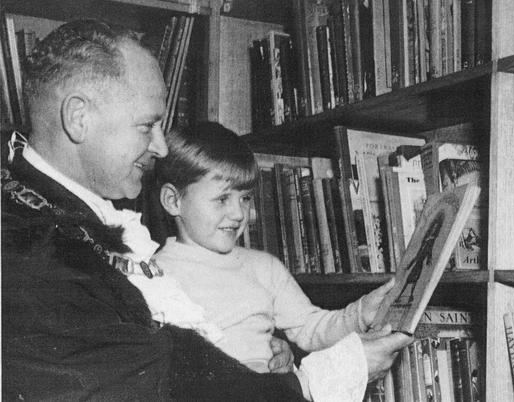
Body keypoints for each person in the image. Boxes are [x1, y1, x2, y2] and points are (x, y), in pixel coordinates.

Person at [1, 19, 412, 401]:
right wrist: (315, 379)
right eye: (147, 125)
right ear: (78, 117)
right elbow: (160, 376)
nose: (161, 147)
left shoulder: (57, 215)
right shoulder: (27, 248)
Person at [147, 121, 396, 376]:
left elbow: (309, 328)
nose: (239, 213)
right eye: (222, 199)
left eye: (244, 198)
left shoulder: (264, 267)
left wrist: (360, 313)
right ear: (173, 201)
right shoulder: (154, 275)